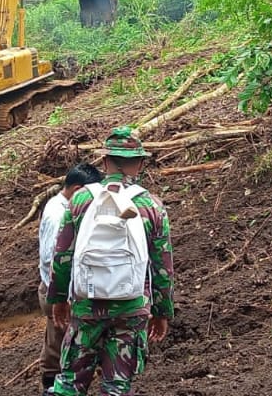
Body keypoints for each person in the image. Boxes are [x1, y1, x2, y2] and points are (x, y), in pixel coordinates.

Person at [46, 126, 174, 396]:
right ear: (139, 164)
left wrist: (57, 298)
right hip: (131, 309)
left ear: (105, 162)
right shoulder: (151, 206)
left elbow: (63, 254)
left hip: (87, 307)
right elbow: (162, 267)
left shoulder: (81, 199)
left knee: (70, 383)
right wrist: (163, 313)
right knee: (116, 386)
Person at [37, 163, 104, 395]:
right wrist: (61, 294)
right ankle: (52, 386)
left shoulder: (60, 206)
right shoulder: (59, 215)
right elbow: (52, 258)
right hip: (57, 290)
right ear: (77, 189)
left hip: (56, 287)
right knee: (59, 343)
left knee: (58, 338)